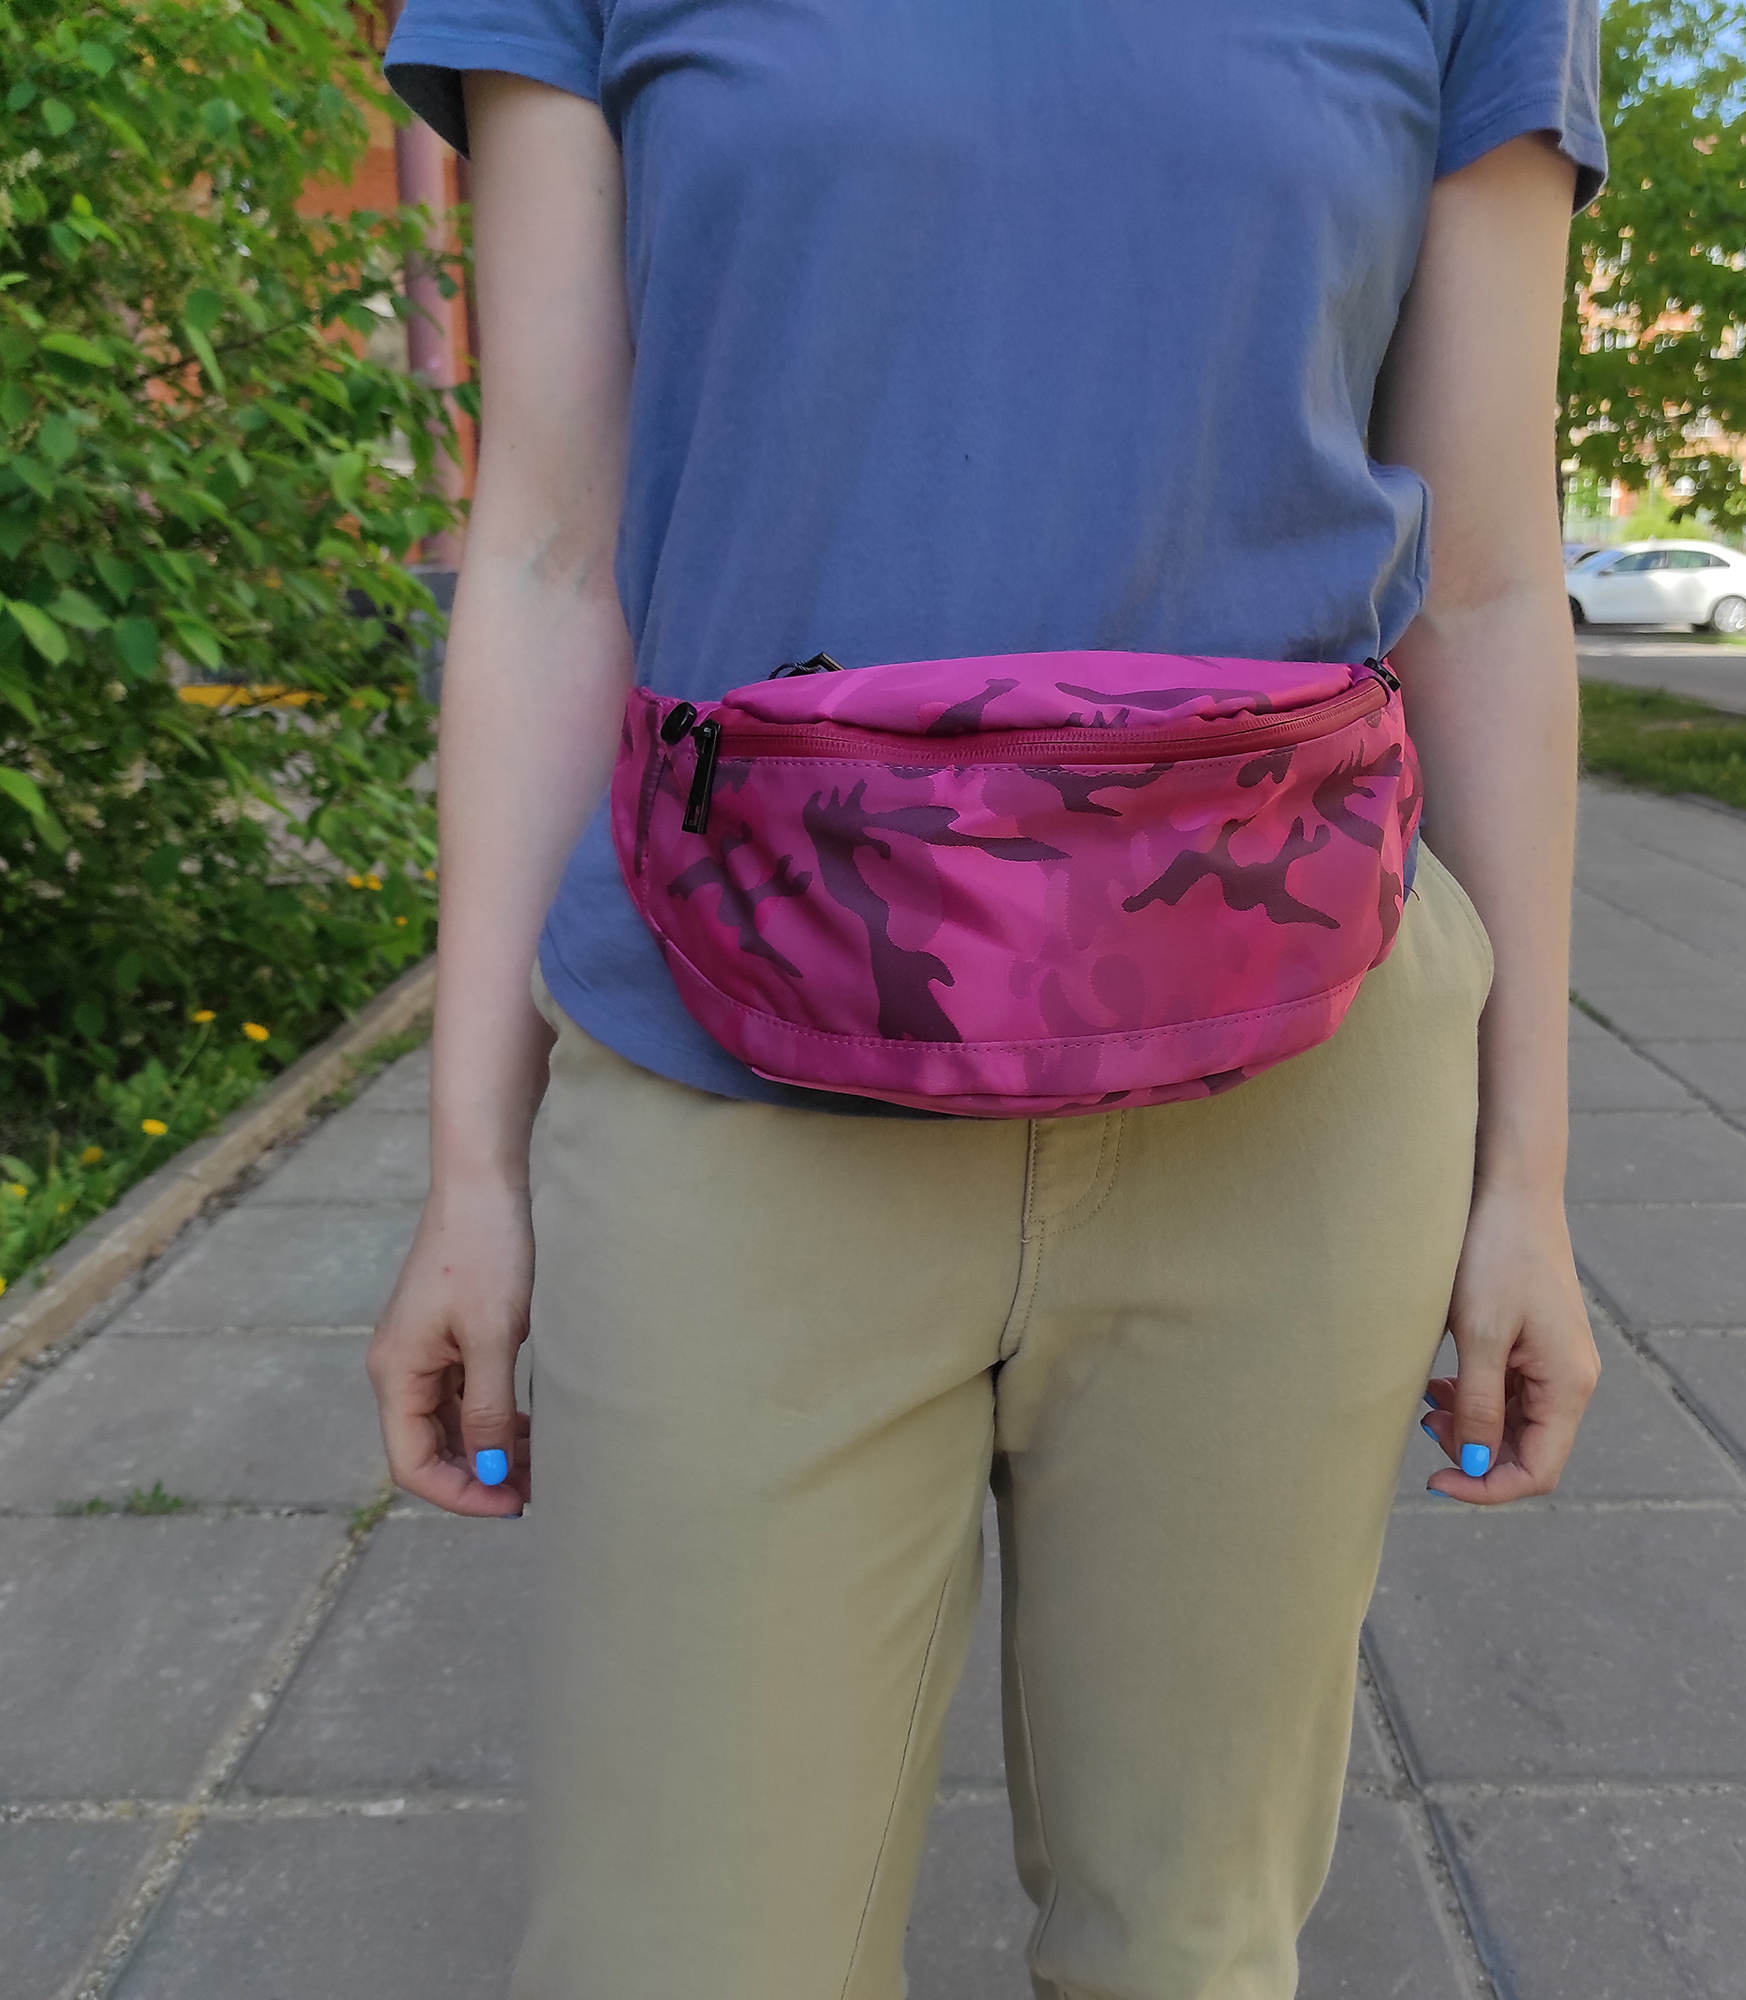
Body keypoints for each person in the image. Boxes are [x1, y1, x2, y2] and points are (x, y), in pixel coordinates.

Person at [368, 5, 1608, 1995]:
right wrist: (473, 1171)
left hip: (1285, 1100)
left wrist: (1524, 1179)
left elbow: (1485, 580)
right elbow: (540, 560)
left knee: (1191, 1952)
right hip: (731, 1084)